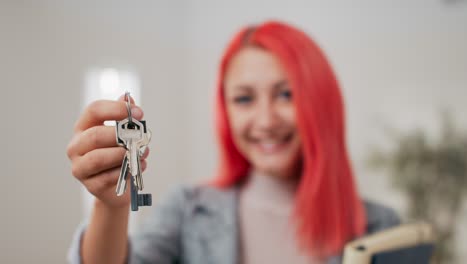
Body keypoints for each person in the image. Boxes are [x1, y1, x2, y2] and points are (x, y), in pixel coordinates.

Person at [67, 20, 400, 264]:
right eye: (244, 99)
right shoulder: (187, 210)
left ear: (320, 101)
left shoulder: (381, 227)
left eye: (287, 94)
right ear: (224, 111)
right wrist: (111, 206)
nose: (267, 121)